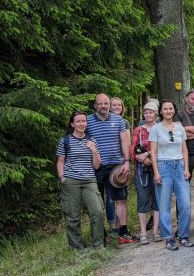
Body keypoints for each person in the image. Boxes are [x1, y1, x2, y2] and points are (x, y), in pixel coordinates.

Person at [87, 94, 137, 243]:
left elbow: (124, 141)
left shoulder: (118, 120)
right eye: (100, 103)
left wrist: (127, 161)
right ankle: (101, 235)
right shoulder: (88, 121)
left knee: (121, 199)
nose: (103, 106)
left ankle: (123, 232)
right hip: (96, 167)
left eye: (106, 103)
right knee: (98, 203)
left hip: (117, 167)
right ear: (95, 105)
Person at [56, 110, 105, 249]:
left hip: (89, 180)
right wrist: (62, 178)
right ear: (72, 123)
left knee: (98, 212)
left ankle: (98, 245)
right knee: (72, 216)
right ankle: (77, 248)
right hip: (71, 181)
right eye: (78, 121)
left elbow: (97, 165)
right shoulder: (65, 141)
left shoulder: (91, 140)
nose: (81, 123)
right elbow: (60, 161)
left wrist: (93, 150)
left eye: (83, 121)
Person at [149, 100, 194, 251]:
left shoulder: (180, 127)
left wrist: (186, 168)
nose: (168, 111)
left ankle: (183, 235)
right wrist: (156, 172)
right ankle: (168, 237)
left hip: (180, 166)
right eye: (165, 109)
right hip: (163, 166)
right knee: (164, 205)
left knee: (185, 204)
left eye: (170, 108)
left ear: (174, 111)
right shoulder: (156, 129)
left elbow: (185, 150)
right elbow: (153, 152)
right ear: (161, 112)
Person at [131, 102, 160, 245]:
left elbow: (162, 146)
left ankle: (156, 231)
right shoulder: (139, 130)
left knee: (157, 198)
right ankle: (143, 233)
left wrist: (149, 155)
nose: (148, 115)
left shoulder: (160, 128)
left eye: (151, 112)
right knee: (143, 199)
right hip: (142, 168)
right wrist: (139, 157)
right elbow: (133, 147)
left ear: (156, 114)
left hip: (157, 167)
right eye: (146, 112)